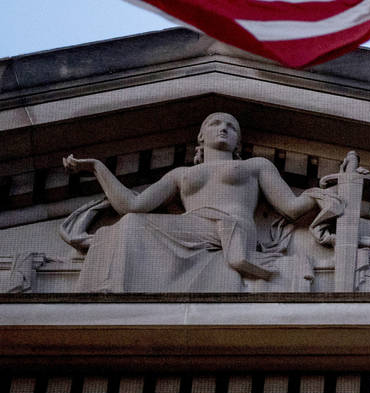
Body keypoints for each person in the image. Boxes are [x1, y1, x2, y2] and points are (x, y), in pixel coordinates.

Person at [62, 112, 349, 292]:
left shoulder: (255, 165)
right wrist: (97, 167)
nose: (223, 128)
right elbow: (132, 206)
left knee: (134, 226)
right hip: (191, 227)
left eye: (231, 127)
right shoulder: (181, 174)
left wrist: (319, 195)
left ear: (239, 142)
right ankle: (114, 290)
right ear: (201, 136)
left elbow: (290, 207)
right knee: (130, 224)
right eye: (215, 124)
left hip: (232, 227)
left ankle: (241, 258)